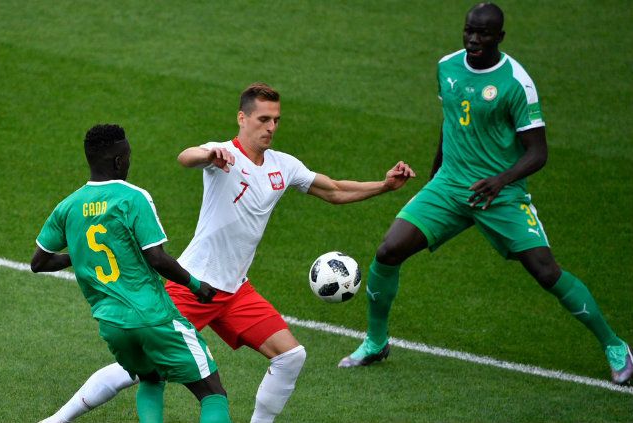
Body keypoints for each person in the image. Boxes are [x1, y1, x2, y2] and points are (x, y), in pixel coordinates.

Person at [40, 83, 415, 423]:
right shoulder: (223, 156)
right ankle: (58, 419)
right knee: (136, 370)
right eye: (263, 119)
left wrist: (384, 186)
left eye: (276, 120)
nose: (271, 127)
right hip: (194, 285)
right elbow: (187, 158)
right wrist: (209, 152)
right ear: (242, 118)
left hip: (235, 291)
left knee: (291, 356)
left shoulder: (283, 166)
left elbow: (333, 190)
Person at [338, 2, 633, 385]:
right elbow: (451, 123)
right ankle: (376, 343)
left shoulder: (515, 83)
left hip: (500, 195)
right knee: (387, 251)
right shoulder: (447, 67)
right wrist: (434, 178)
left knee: (545, 271)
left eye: (483, 34)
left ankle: (615, 345)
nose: (474, 39)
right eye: (469, 31)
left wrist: (500, 181)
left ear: (500, 37)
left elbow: (538, 153)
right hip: (449, 186)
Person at [31, 123, 232, 422]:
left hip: (112, 324)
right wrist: (195, 285)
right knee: (212, 393)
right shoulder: (133, 197)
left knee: (151, 378)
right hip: (152, 316)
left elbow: (39, 263)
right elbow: (157, 258)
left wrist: (77, 253)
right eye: (128, 156)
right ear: (118, 161)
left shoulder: (68, 207)